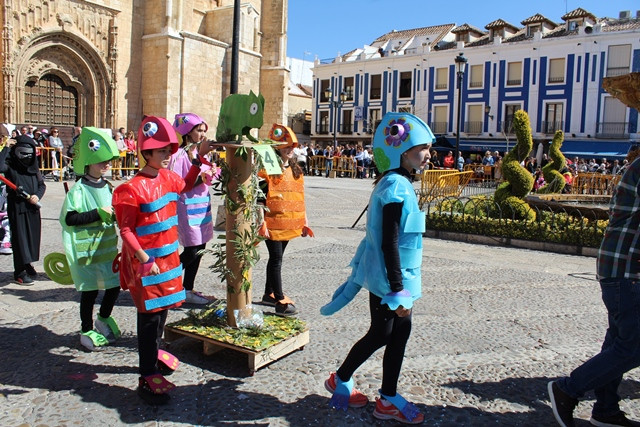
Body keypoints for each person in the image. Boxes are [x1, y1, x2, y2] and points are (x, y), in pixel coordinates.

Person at [320, 112, 432, 425]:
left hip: (395, 279)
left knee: (393, 333)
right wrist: (397, 289)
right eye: (422, 148)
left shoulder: (397, 183)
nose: (428, 155)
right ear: (402, 151)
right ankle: (349, 383)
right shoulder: (396, 187)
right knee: (384, 334)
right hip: (392, 282)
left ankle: (384, 396)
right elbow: (389, 242)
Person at [112, 116, 212, 405]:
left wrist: (199, 159)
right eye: (161, 152)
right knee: (148, 317)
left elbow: (188, 184)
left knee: (163, 310)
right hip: (147, 263)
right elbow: (126, 230)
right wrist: (144, 257)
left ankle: (154, 353)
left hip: (168, 261)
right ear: (146, 153)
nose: (167, 156)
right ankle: (146, 374)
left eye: (169, 150)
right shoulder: (130, 189)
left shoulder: (169, 178)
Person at [548, 144, 640, 427]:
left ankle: (606, 409)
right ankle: (568, 388)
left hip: (621, 268)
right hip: (628, 269)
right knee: (632, 347)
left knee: (618, 342)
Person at [60, 127, 122, 351]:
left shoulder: (108, 186)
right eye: (102, 162)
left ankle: (103, 318)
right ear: (89, 163)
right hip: (86, 252)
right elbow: (70, 218)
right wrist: (98, 213)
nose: (107, 165)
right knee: (90, 292)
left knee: (114, 287)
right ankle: (86, 329)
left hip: (106, 251)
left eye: (109, 161)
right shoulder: (78, 190)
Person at [258, 124, 314, 317]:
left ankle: (268, 293)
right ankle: (280, 299)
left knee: (277, 258)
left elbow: (299, 196)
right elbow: (260, 197)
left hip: (288, 223)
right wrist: (261, 222)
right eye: (286, 146)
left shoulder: (295, 169)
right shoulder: (268, 168)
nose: (290, 149)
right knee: (276, 259)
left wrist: (304, 222)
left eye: (292, 146)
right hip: (272, 223)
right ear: (276, 148)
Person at [171, 112, 218, 305]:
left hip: (201, 206)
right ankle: (168, 279)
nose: (202, 134)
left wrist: (213, 172)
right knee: (191, 250)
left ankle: (187, 288)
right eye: (199, 130)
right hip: (187, 208)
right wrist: (202, 177)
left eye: (204, 130)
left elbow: (208, 174)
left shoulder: (198, 154)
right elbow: (180, 183)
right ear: (188, 132)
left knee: (200, 248)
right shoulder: (179, 154)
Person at [0, 134, 46, 284]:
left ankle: (28, 264)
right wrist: (7, 147)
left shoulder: (33, 167)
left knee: (32, 239)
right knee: (20, 240)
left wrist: (37, 196)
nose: (26, 156)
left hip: (32, 207)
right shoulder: (10, 165)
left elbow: (42, 185)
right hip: (17, 207)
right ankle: (19, 271)